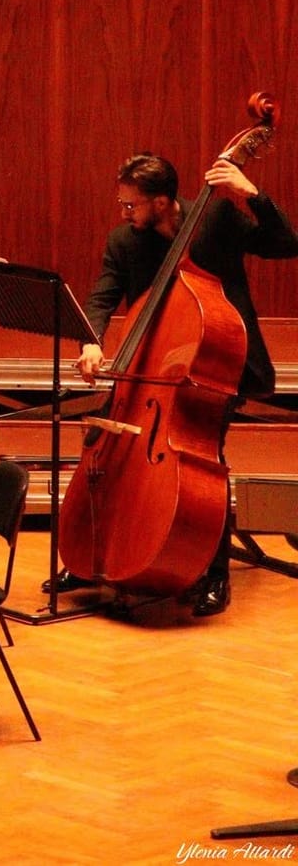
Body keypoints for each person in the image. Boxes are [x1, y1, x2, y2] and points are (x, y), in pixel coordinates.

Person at [49, 152, 298, 616]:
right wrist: (90, 341)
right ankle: (94, 557)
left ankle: (213, 574)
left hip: (215, 361)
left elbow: (286, 244)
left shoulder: (214, 219)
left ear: (162, 202)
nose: (125, 213)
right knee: (110, 452)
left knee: (205, 460)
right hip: (150, 370)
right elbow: (103, 295)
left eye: (132, 205)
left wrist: (251, 194)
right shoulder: (125, 240)